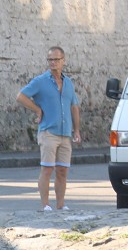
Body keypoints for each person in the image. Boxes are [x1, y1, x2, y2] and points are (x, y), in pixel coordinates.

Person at [15, 46, 82, 211]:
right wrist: (38, 109)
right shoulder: (40, 81)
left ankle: (60, 204)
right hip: (48, 132)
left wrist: (77, 130)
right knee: (47, 169)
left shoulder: (68, 83)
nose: (53, 63)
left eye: (56, 60)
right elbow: (21, 96)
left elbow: (74, 106)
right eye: (50, 60)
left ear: (63, 61)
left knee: (62, 171)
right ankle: (45, 205)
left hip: (65, 134)